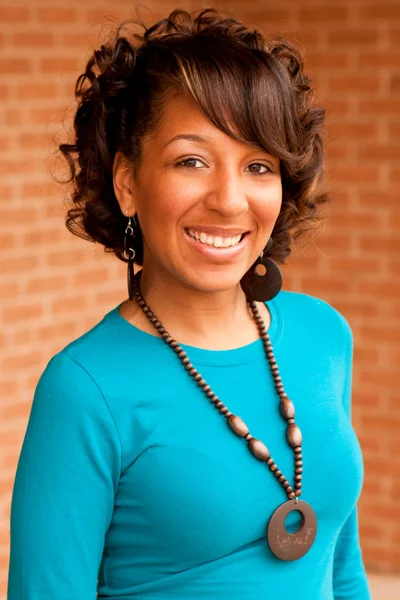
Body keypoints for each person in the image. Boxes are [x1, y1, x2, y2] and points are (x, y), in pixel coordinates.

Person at [7, 7, 371, 600]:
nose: (229, 201)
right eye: (192, 161)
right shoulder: (85, 387)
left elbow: (340, 566)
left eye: (258, 165)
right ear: (128, 182)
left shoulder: (323, 335)